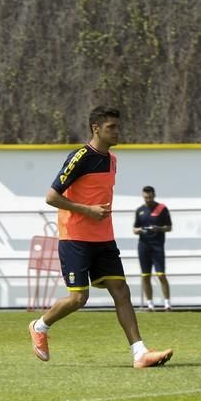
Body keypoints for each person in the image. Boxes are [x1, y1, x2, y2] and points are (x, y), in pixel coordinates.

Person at [27, 106, 173, 368]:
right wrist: (87, 210)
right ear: (96, 128)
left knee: (121, 290)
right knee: (78, 299)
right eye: (111, 127)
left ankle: (140, 353)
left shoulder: (113, 160)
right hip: (75, 238)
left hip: (104, 239)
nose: (117, 131)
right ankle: (40, 326)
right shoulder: (80, 157)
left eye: (118, 126)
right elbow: (51, 197)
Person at [133, 186, 172, 311]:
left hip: (157, 246)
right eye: (145, 197)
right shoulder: (140, 210)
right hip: (143, 246)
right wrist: (139, 230)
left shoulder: (161, 208)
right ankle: (150, 304)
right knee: (145, 275)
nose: (148, 199)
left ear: (154, 195)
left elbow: (169, 227)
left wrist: (158, 228)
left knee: (161, 275)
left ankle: (167, 304)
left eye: (150, 197)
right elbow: (135, 229)